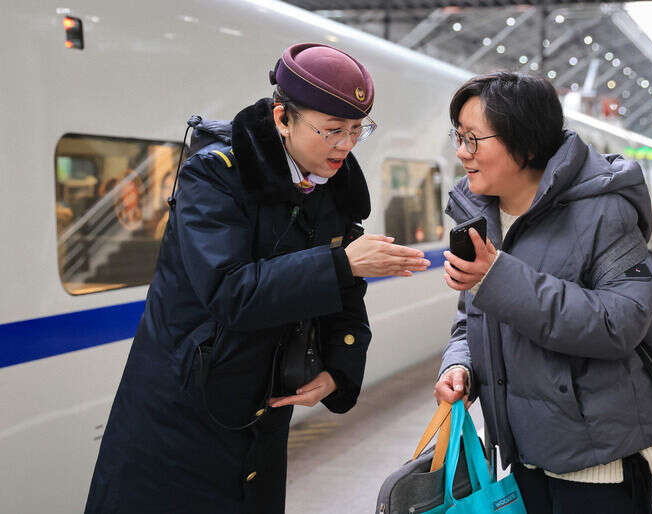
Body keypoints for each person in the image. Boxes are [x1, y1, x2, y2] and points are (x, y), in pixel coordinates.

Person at [85, 43, 430, 514]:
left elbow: (345, 295)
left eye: (357, 130)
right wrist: (341, 263)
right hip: (180, 416)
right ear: (282, 118)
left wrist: (339, 367)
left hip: (263, 411)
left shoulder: (332, 187)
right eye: (332, 130)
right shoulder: (215, 177)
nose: (346, 145)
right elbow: (230, 291)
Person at [434, 72, 652, 514]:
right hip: (525, 455)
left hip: (600, 464)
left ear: (526, 145)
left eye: (474, 139)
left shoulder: (604, 211)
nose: (462, 152)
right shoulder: (481, 215)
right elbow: (472, 319)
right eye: (459, 137)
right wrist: (459, 365)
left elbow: (620, 322)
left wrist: (497, 277)